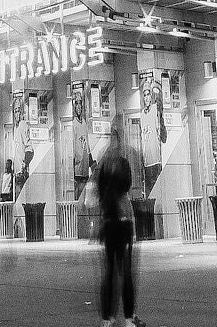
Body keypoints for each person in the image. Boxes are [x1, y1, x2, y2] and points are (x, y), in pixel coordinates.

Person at [94, 122, 141, 327]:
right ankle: (127, 318)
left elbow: (100, 194)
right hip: (121, 223)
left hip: (111, 223)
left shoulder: (104, 166)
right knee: (124, 272)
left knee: (111, 271)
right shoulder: (122, 164)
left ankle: (108, 318)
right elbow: (126, 187)